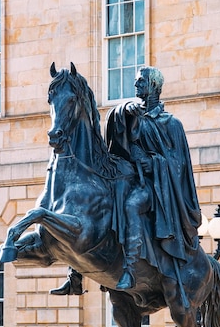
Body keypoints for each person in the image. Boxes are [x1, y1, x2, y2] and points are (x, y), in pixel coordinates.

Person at [50, 66, 201, 295]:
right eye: (136, 81)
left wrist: (155, 164)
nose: (136, 85)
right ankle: (76, 274)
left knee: (131, 205)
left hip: (153, 187)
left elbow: (179, 166)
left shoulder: (170, 124)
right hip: (127, 176)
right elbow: (115, 138)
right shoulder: (128, 114)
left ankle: (129, 268)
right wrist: (122, 111)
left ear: (154, 86)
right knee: (90, 202)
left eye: (141, 81)